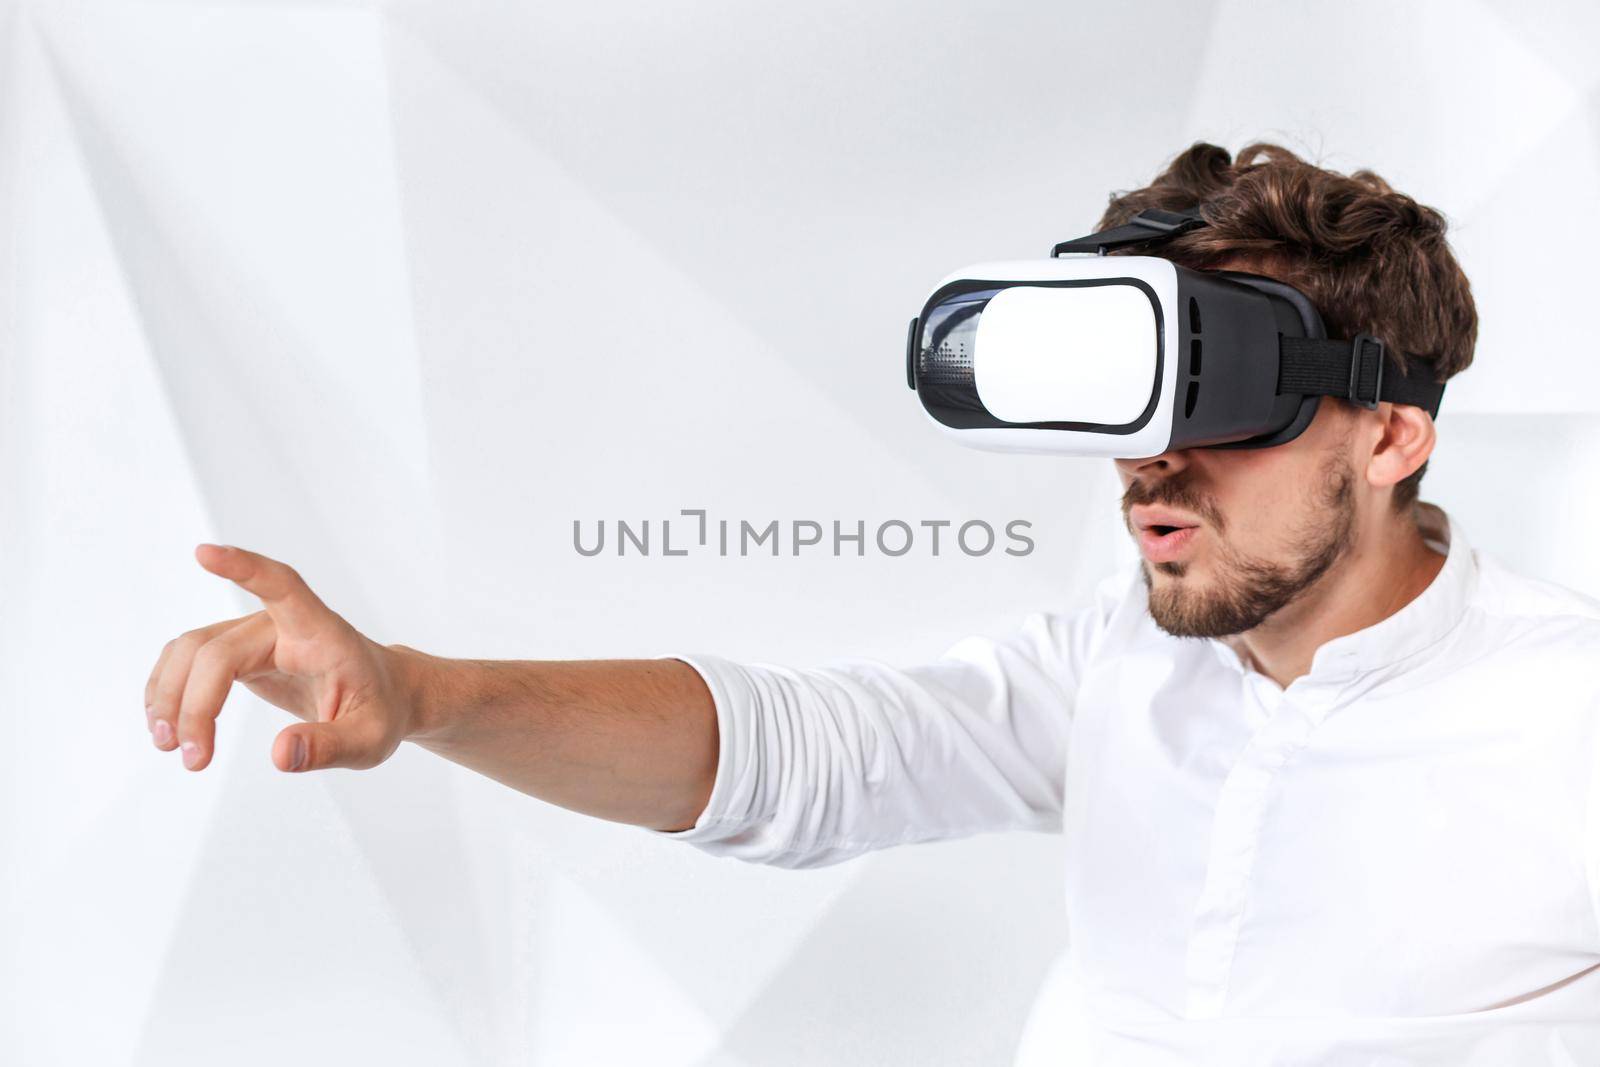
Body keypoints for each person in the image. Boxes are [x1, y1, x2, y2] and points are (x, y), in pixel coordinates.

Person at [142, 143, 1600, 1063]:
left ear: (1393, 435)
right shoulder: (1110, 665)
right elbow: (809, 756)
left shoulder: (1569, 713)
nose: (1151, 461)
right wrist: (417, 691)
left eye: (1216, 394)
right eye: (1128, 392)